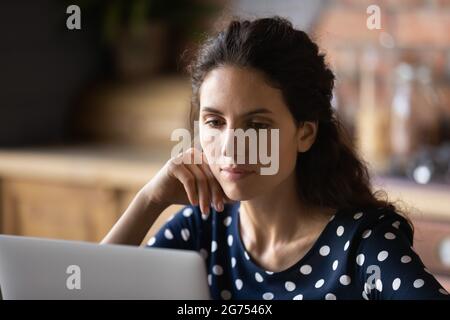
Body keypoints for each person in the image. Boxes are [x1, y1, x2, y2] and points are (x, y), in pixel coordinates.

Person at [102, 17, 449, 300]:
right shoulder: (203, 227)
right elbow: (82, 289)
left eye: (256, 124)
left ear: (305, 133)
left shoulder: (362, 244)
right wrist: (149, 200)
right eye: (214, 122)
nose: (231, 146)